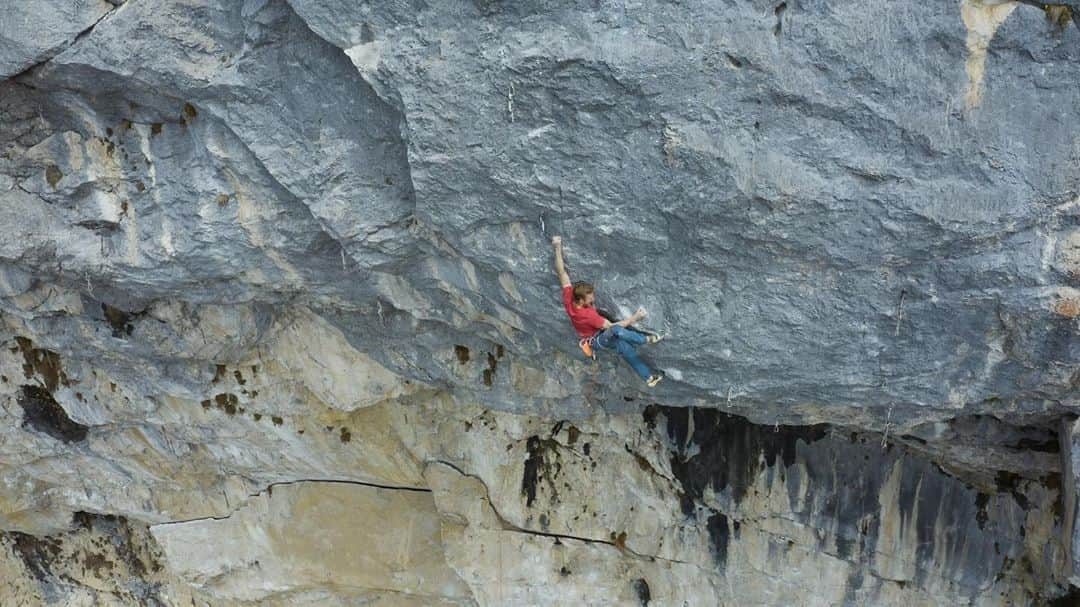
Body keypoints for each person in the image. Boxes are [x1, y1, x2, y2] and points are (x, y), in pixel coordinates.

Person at [551, 236, 664, 387]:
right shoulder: (588, 315)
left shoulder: (569, 296)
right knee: (616, 330)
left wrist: (557, 247)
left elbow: (561, 272)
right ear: (581, 300)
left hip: (598, 337)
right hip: (597, 340)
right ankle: (646, 339)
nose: (593, 299)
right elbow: (614, 328)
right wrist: (636, 317)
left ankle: (649, 377)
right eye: (590, 299)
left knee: (627, 350)